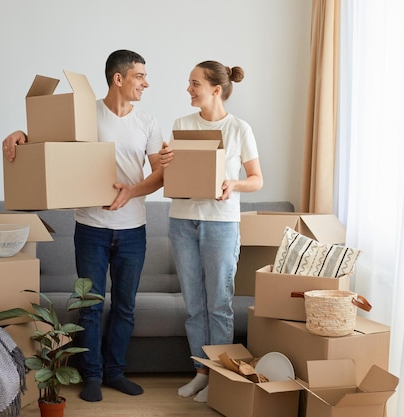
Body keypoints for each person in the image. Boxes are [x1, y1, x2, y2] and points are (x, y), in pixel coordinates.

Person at [3, 50, 164, 402]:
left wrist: (131, 192)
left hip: (133, 229)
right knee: (89, 304)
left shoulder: (148, 122)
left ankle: (115, 372)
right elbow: (46, 140)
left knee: (125, 305)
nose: (146, 83)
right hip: (91, 227)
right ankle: (91, 375)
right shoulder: (86, 114)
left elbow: (159, 175)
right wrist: (19, 133)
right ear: (118, 78)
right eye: (140, 76)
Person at [158, 60, 263, 402]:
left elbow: (257, 180)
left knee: (218, 303)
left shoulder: (239, 129)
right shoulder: (182, 124)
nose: (188, 89)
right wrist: (165, 161)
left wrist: (233, 183)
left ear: (215, 90)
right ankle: (201, 373)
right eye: (189, 83)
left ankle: (220, 377)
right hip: (183, 220)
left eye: (194, 84)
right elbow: (174, 173)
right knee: (194, 304)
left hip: (221, 223)